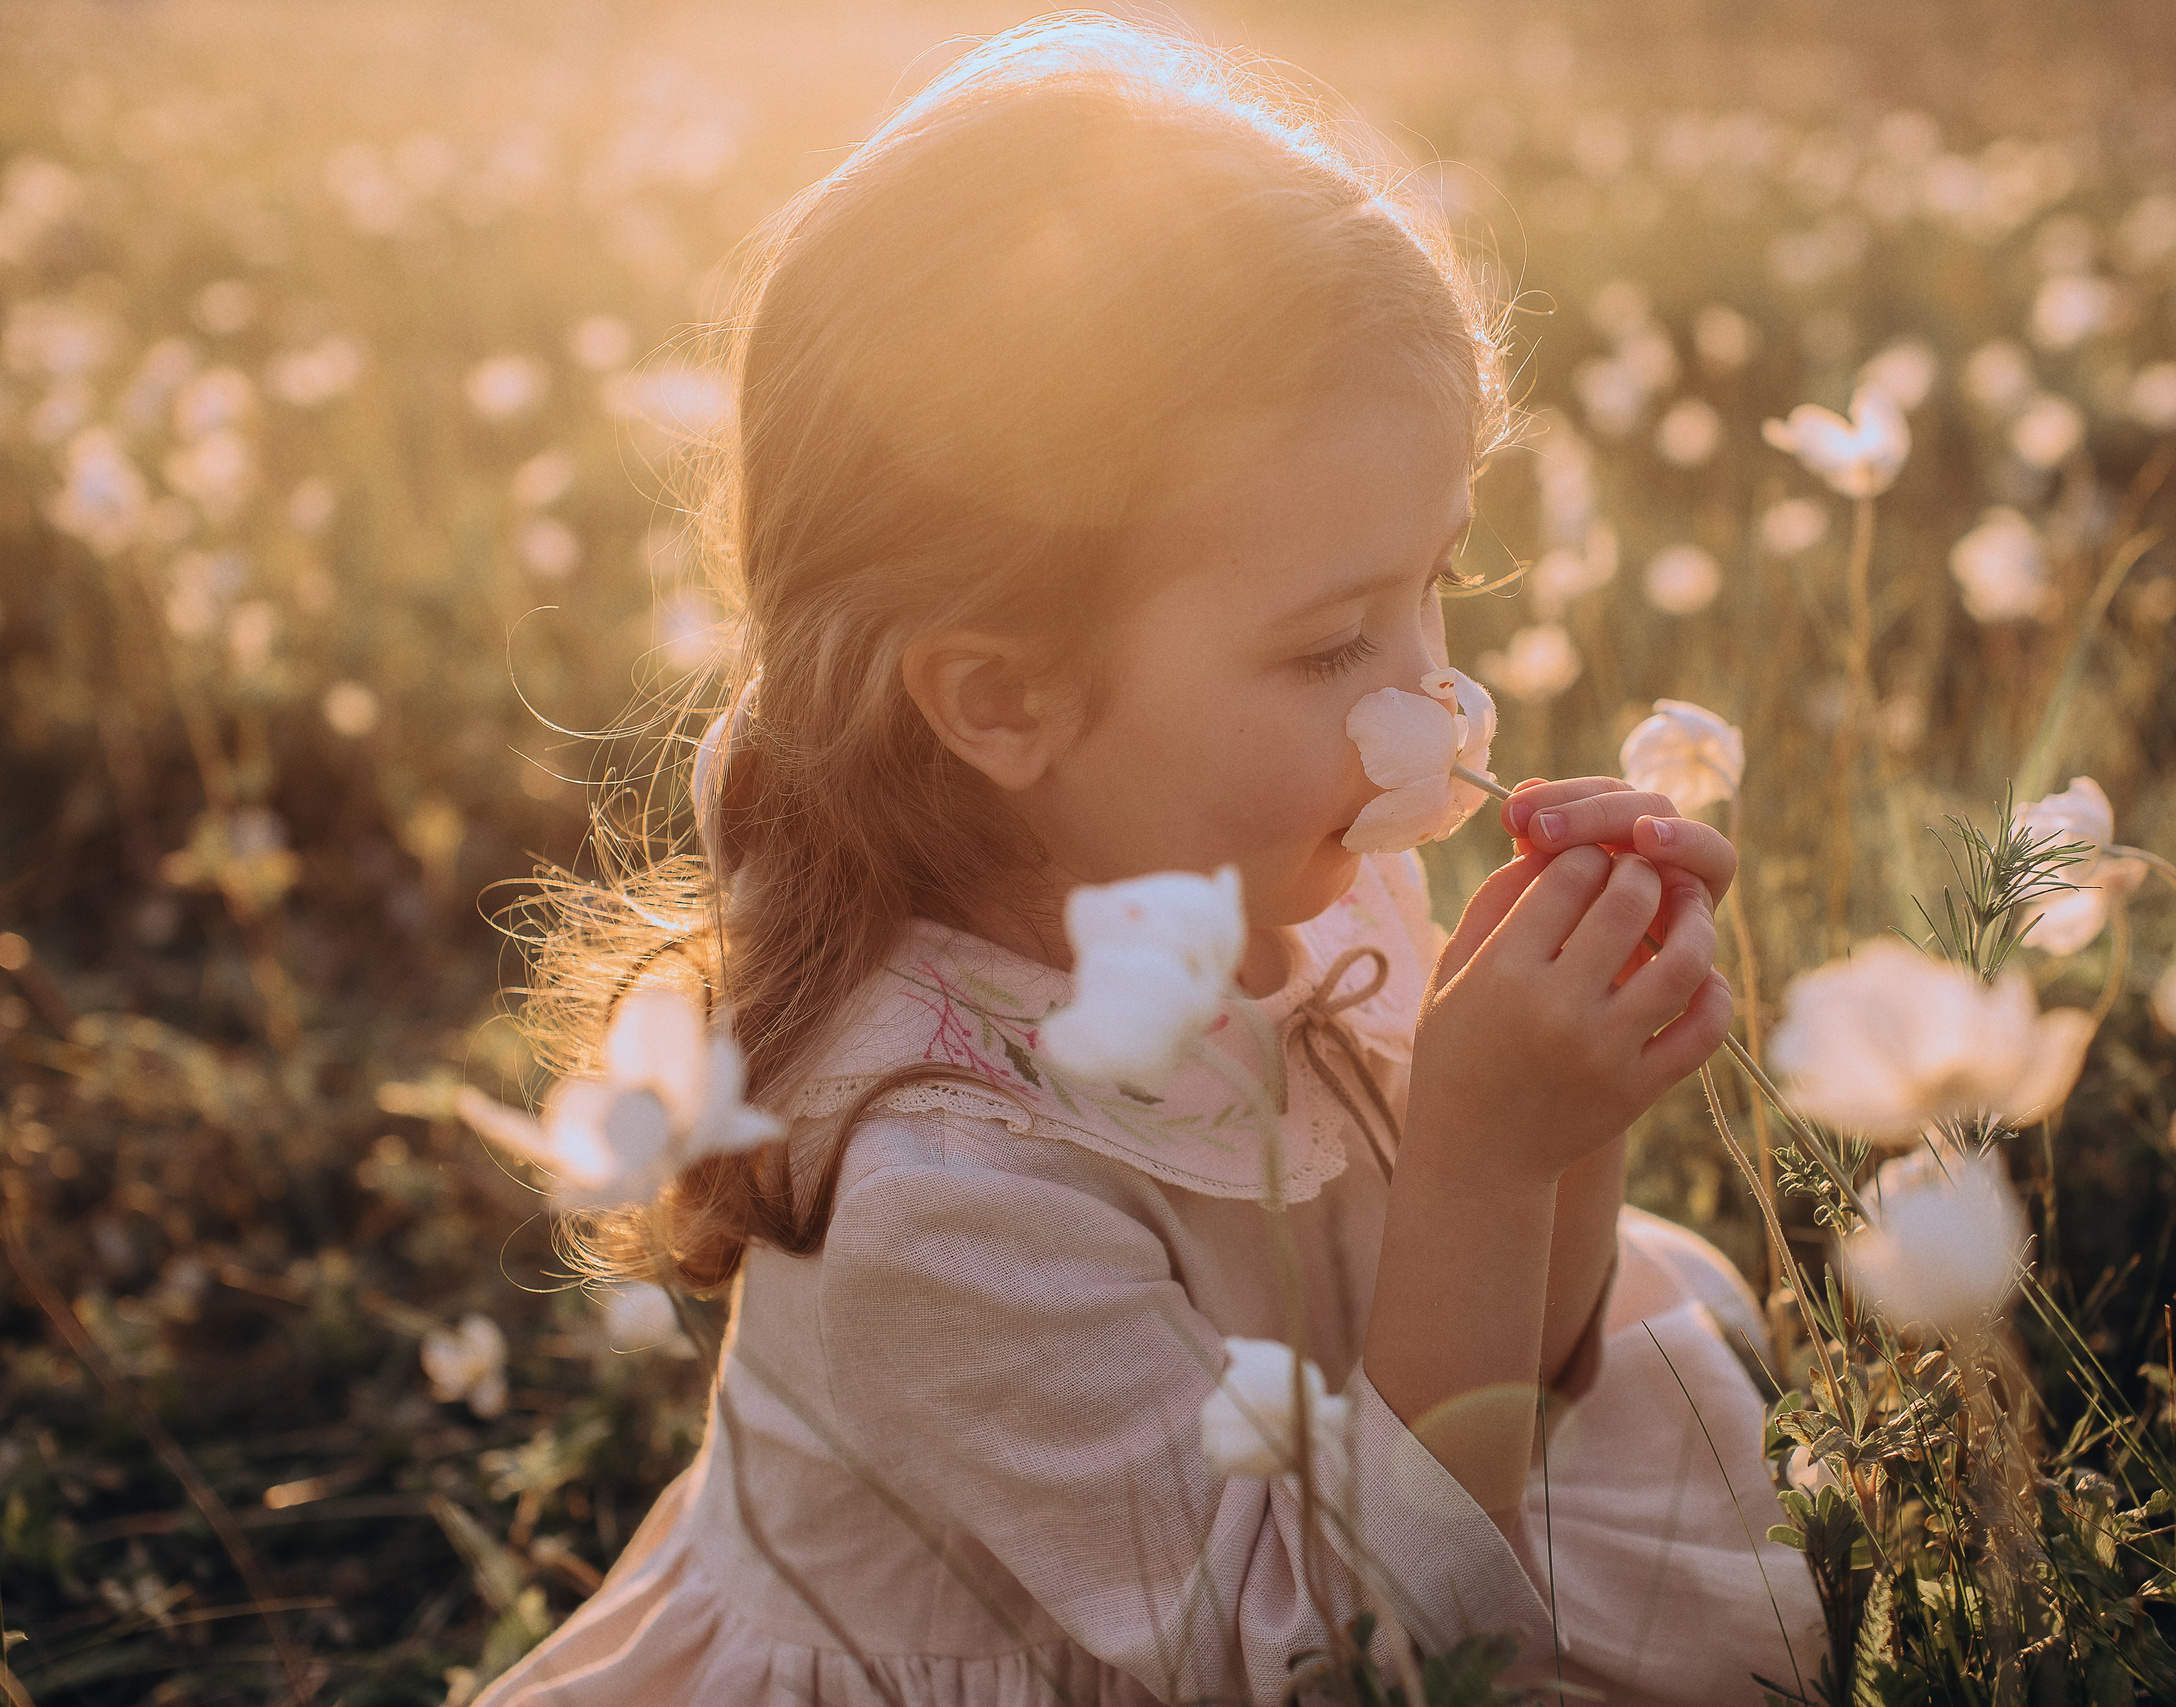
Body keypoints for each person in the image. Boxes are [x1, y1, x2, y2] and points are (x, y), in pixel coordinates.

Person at [474, 13, 1820, 1705]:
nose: (1439, 696)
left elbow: (1524, 1403)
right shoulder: (943, 1197)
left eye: (1437, 588)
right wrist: (1480, 1158)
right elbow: (1342, 1669)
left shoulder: (1296, 869)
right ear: (1004, 700)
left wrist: (1568, 1130)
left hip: (1396, 1523)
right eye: (1332, 642)